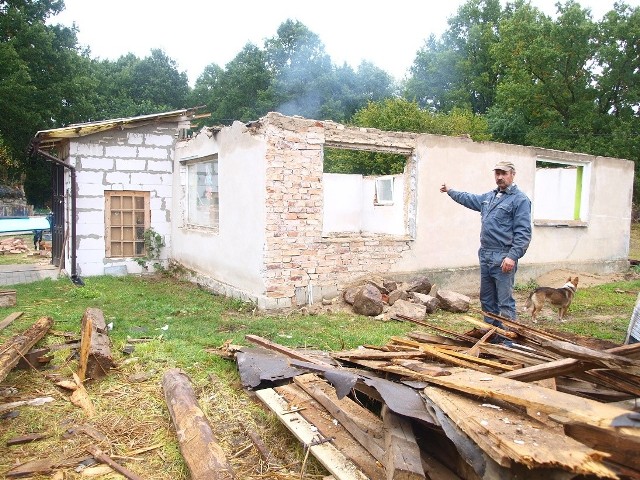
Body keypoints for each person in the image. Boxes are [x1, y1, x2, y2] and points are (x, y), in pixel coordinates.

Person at [440, 160, 532, 334]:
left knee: (504, 301)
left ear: (512, 174)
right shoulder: (489, 197)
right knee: (487, 299)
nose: (500, 177)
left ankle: (508, 341)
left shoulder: (520, 200)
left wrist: (512, 256)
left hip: (503, 257)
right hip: (486, 255)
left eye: (504, 173)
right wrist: (450, 191)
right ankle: (492, 336)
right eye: (497, 173)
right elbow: (469, 198)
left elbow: (524, 233)